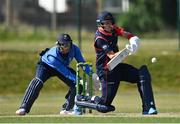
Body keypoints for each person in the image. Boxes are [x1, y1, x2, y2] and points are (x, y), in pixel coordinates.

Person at [75, 11, 158, 115]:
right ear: (101, 24)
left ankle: (148, 108)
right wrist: (127, 50)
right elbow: (111, 56)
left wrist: (133, 40)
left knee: (142, 74)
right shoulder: (100, 38)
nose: (109, 25)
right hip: (106, 71)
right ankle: (81, 99)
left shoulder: (113, 29)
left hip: (117, 66)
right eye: (106, 23)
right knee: (104, 105)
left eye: (110, 22)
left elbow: (126, 34)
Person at [15, 33, 91, 115]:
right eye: (64, 45)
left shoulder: (74, 48)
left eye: (68, 44)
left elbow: (82, 63)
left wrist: (92, 75)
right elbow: (66, 73)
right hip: (46, 66)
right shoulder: (52, 56)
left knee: (78, 85)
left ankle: (66, 109)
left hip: (62, 66)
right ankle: (23, 107)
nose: (67, 48)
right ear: (58, 45)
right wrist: (79, 80)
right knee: (37, 82)